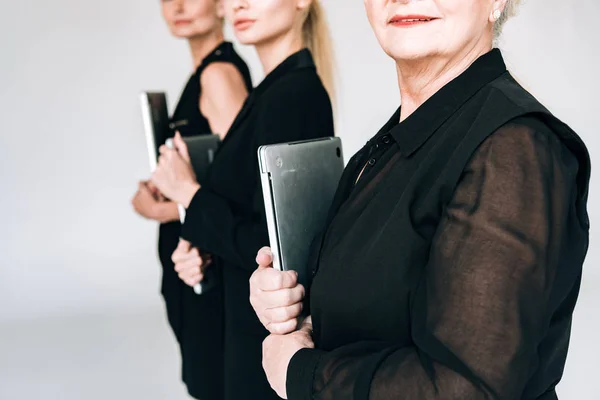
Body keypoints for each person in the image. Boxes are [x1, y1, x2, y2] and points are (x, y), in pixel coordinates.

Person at [249, 0, 591, 399]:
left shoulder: (513, 148)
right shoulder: (393, 144)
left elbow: (465, 388)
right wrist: (292, 301)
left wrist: (301, 373)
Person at [150, 0, 336, 399]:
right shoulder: (270, 92)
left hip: (263, 338)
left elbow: (281, 251)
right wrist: (202, 248)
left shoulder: (294, 94)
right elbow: (252, 223)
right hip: (245, 326)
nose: (239, 4)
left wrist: (187, 192)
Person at [131, 0, 252, 398]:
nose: (179, 6)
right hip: (198, 266)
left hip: (209, 271)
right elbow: (214, 176)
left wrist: (160, 209)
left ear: (223, 5)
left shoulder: (218, 74)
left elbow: (243, 193)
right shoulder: (205, 72)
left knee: (211, 383)